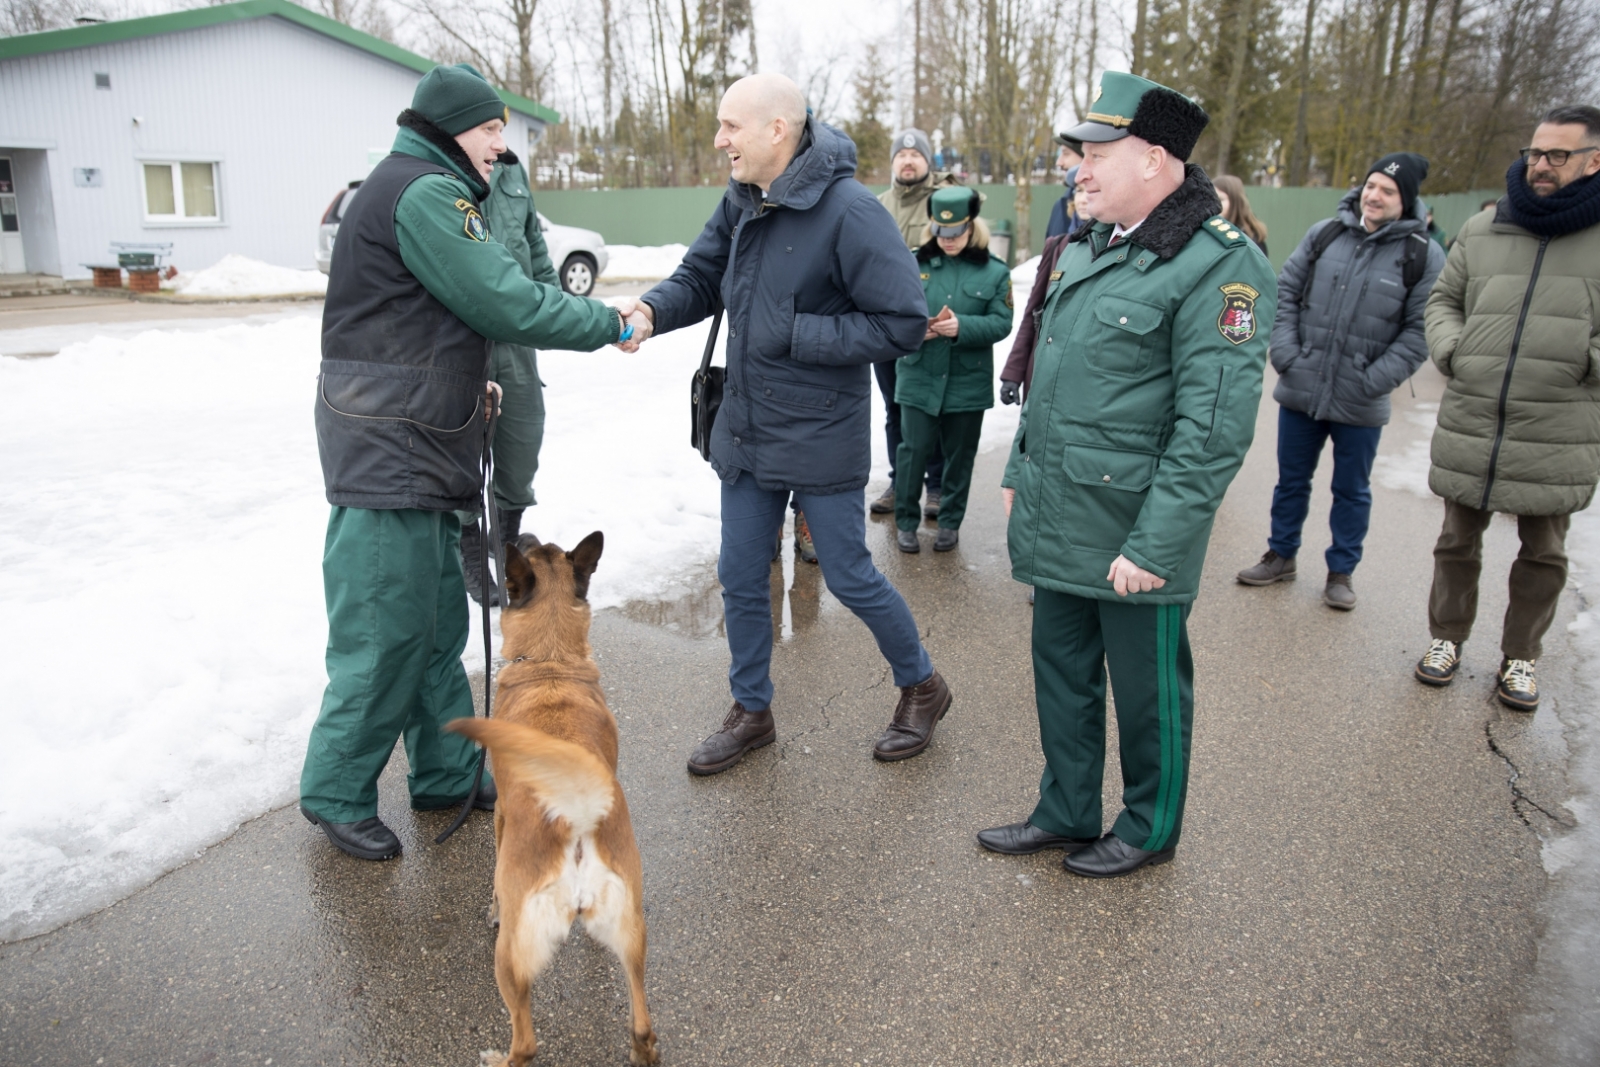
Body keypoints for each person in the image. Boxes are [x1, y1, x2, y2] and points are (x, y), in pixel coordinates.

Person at [301, 64, 630, 861]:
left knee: (439, 622)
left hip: (423, 440)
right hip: (390, 449)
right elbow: (504, 297)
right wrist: (609, 323)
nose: (500, 144)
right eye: (490, 130)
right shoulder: (423, 192)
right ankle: (337, 789)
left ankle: (445, 770)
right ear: (453, 127)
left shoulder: (431, 185)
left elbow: (431, 314)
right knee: (383, 631)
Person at [979, 72, 1275, 878]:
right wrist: (1021, 465)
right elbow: (1053, 374)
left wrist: (1160, 544)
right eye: (1080, 152)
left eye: (1097, 153)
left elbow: (1213, 429)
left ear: (1154, 159)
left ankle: (1149, 825)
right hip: (1060, 505)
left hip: (1135, 529)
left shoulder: (1220, 266)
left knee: (1148, 696)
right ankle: (1067, 808)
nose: (1079, 167)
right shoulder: (1086, 245)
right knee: (1061, 673)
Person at [616, 74, 954, 771]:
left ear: (778, 130)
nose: (719, 140)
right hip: (745, 423)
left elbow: (901, 322)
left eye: (729, 126)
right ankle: (752, 710)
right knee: (740, 570)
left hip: (821, 427)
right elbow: (701, 275)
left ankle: (922, 684)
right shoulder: (742, 199)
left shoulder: (853, 211)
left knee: (852, 574)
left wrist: (797, 332)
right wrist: (650, 311)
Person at [1414, 103, 1600, 711]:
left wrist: (1582, 362)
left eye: (1557, 155)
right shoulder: (1486, 227)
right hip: (1476, 412)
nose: (1540, 165)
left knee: (1543, 551)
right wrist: (1453, 351)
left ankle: (1521, 657)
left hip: (1559, 423)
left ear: (1593, 160)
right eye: (1534, 153)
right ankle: (1446, 639)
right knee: (1455, 541)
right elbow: (1444, 301)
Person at [1236, 152, 1444, 609]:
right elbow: (1284, 291)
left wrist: (1375, 379)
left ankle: (1341, 572)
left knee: (1351, 490)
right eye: (1371, 186)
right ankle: (1281, 554)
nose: (1374, 196)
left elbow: (1420, 330)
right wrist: (1287, 354)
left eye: (1387, 191)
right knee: (1291, 480)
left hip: (1361, 398)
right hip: (1302, 385)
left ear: (1405, 200)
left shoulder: (1421, 254)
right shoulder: (1325, 234)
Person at [456, 147, 559, 605]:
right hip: (463, 340)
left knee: (521, 448)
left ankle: (505, 541)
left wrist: (559, 307)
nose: (500, 139)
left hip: (516, 338)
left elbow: (534, 245)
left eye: (502, 127)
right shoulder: (440, 173)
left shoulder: (511, 169)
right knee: (463, 457)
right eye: (491, 129)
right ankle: (471, 552)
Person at [893, 186, 1014, 554]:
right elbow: (892, 313)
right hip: (918, 375)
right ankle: (906, 523)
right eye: (941, 233)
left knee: (960, 456)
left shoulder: (995, 272)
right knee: (912, 452)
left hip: (967, 379)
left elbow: (1002, 322)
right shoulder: (913, 264)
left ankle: (950, 522)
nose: (948, 241)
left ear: (971, 227)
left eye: (957, 233)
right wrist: (918, 330)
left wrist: (963, 327)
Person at [870, 129, 951, 519]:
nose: (907, 160)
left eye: (914, 154)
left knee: (927, 409)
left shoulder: (944, 203)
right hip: (883, 326)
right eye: (900, 155)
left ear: (927, 160)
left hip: (929, 326)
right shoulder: (876, 205)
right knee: (894, 409)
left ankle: (935, 486)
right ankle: (900, 481)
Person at [1212, 173, 1269, 257]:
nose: (1214, 204)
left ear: (1236, 202)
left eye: (1221, 199)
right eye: (1211, 199)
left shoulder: (1251, 242)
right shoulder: (1208, 234)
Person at [1044, 133, 1085, 238]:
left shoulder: (1107, 211)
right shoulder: (1061, 204)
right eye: (1079, 191)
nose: (1059, 163)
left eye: (1066, 154)